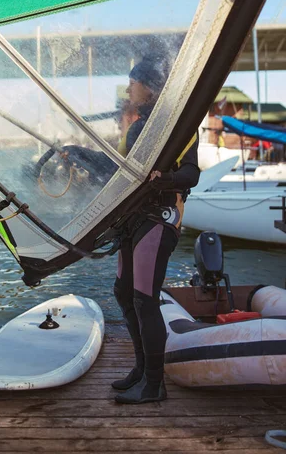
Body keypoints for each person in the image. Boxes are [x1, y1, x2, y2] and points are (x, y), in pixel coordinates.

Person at [111, 58, 200, 404]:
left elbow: (192, 175)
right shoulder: (136, 129)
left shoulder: (180, 127)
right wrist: (79, 155)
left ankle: (154, 385)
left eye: (133, 83)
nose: (129, 89)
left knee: (144, 299)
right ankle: (140, 369)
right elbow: (118, 172)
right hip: (131, 220)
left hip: (160, 218)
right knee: (123, 292)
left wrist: (165, 179)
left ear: (148, 88)